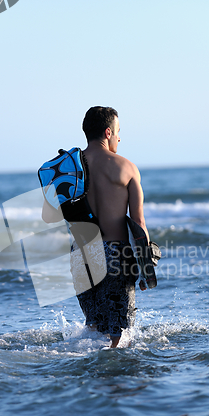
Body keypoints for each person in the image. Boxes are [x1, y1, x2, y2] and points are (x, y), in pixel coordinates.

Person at [43, 106, 149, 348]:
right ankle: (116, 381)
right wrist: (145, 266)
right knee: (120, 336)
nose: (120, 138)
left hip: (82, 255)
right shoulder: (127, 168)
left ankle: (94, 383)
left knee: (94, 330)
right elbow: (139, 224)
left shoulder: (68, 168)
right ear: (108, 132)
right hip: (116, 255)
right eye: (119, 131)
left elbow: (49, 216)